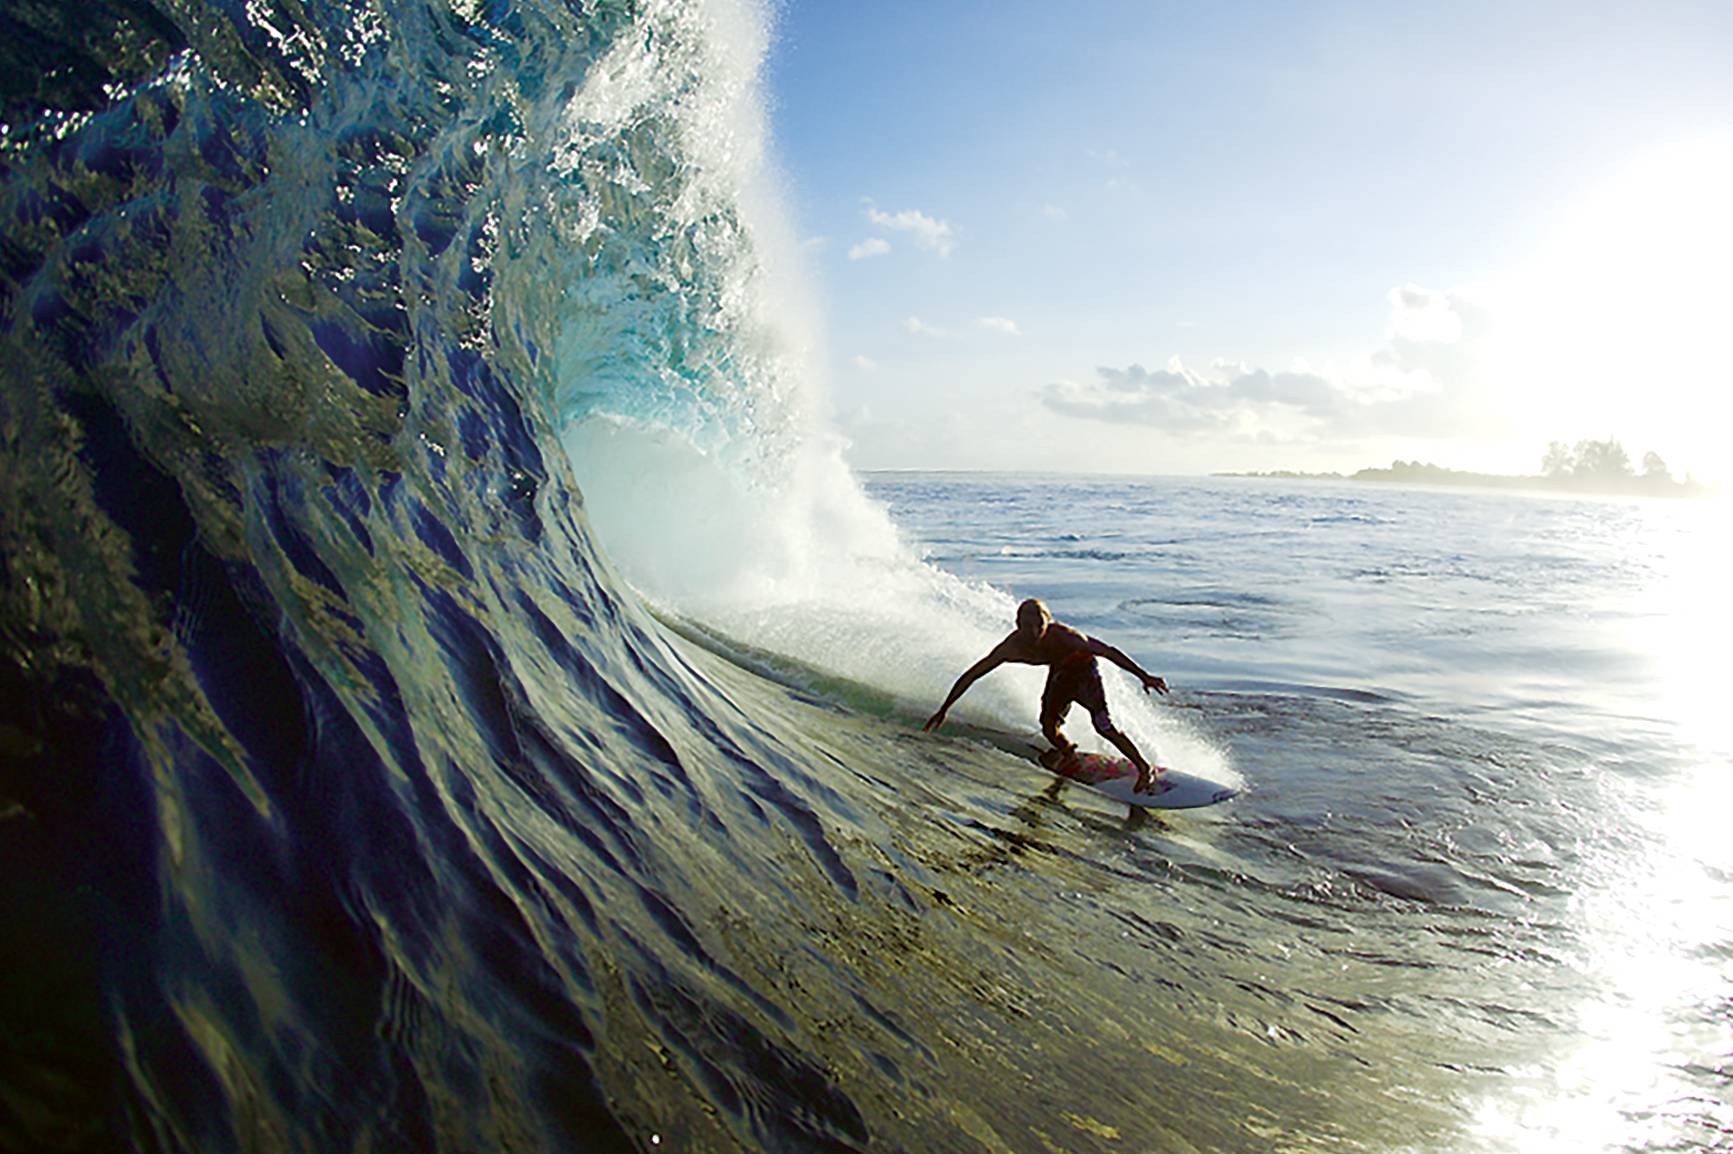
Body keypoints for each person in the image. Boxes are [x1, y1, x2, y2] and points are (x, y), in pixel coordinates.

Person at [923, 598, 1170, 793]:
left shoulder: (1065, 636)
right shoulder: (1011, 647)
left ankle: (1143, 767)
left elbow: (1108, 651)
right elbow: (973, 674)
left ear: (1048, 622)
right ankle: (1068, 752)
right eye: (1025, 625)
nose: (1032, 631)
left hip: (1084, 673)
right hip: (1060, 676)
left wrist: (1144, 676)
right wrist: (945, 708)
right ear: (1017, 624)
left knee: (1103, 725)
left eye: (1038, 624)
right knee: (1049, 728)